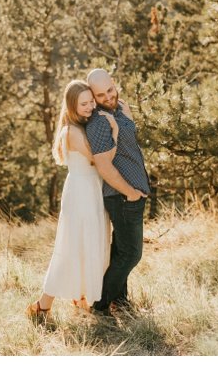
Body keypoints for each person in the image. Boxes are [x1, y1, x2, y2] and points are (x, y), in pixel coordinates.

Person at [27, 80, 112, 321]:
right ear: (72, 106)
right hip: (81, 193)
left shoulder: (84, 125)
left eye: (91, 102)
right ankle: (42, 305)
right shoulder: (72, 131)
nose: (89, 107)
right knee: (71, 247)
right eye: (83, 104)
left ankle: (82, 296)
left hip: (92, 190)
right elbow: (98, 159)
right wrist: (114, 131)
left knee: (89, 244)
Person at [84, 68, 150, 316]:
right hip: (122, 196)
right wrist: (130, 192)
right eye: (100, 95)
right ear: (93, 95)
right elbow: (103, 165)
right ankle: (100, 307)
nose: (108, 97)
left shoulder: (121, 106)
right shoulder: (99, 121)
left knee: (120, 251)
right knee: (132, 254)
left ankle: (119, 302)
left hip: (134, 191)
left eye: (110, 90)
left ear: (114, 84)